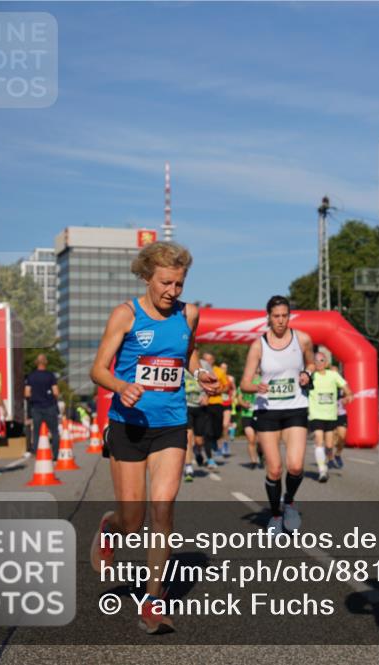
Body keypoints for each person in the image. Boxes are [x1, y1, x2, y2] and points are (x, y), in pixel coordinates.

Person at [89, 241, 218, 634]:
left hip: (171, 425)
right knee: (134, 521)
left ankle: (152, 598)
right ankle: (111, 526)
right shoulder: (125, 315)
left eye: (179, 284)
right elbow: (98, 370)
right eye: (165, 283)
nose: (172, 292)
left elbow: (187, 352)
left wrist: (199, 373)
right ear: (147, 276)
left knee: (163, 508)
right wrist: (120, 385)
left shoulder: (189, 314)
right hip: (129, 425)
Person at [240, 295, 315, 533]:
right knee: (274, 469)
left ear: (289, 316)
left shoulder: (302, 339)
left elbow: (311, 364)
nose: (281, 321)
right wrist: (256, 386)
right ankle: (274, 515)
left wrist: (307, 374)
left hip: (295, 407)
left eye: (285, 315)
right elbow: (244, 383)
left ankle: (289, 502)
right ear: (268, 317)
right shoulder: (258, 345)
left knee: (295, 466)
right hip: (267, 410)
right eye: (276, 316)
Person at [308, 349, 353, 482]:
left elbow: (347, 389)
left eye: (322, 360)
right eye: (316, 360)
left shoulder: (333, 375)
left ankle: (330, 459)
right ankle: (322, 471)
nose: (319, 363)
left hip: (331, 415)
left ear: (326, 362)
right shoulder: (311, 376)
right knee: (318, 440)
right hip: (316, 414)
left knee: (329, 445)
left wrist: (348, 396)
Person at [24, 353, 60, 460]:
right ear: (46, 362)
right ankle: (55, 455)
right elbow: (56, 392)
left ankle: (36, 452)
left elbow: (26, 393)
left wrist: (33, 399)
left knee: (36, 432)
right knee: (54, 432)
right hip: (50, 406)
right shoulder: (50, 376)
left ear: (36, 363)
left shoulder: (31, 376)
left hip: (36, 407)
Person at [202, 352, 228, 467]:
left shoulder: (219, 371)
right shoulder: (199, 371)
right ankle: (210, 458)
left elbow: (227, 386)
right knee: (207, 432)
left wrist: (217, 391)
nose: (207, 362)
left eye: (209, 359)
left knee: (217, 431)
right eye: (205, 360)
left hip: (217, 403)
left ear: (213, 360)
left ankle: (215, 441)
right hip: (204, 405)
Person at [237, 374, 261, 469]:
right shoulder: (245, 380)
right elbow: (239, 397)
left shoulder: (262, 379)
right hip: (246, 415)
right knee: (251, 439)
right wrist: (243, 404)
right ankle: (253, 461)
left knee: (260, 441)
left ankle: (260, 453)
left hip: (260, 414)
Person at [183, 369, 202, 482]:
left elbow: (210, 382)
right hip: (185, 405)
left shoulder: (203, 366)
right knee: (188, 437)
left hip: (200, 406)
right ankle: (188, 467)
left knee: (199, 441)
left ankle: (198, 451)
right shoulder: (180, 361)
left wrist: (206, 395)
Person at [333, 391, 349, 469]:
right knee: (331, 441)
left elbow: (349, 395)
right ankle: (328, 458)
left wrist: (347, 398)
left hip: (341, 416)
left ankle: (337, 454)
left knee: (342, 438)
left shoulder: (342, 385)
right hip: (329, 416)